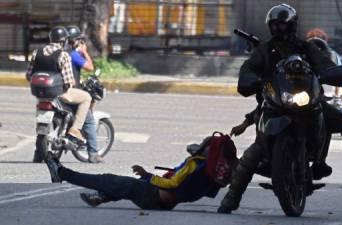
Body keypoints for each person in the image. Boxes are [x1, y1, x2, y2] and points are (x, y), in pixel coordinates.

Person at [217, 4, 342, 214]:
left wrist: (330, 73)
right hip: (275, 105)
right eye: (275, 25)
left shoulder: (306, 48)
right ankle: (231, 200)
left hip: (308, 101)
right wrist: (251, 80)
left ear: (292, 25)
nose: (279, 29)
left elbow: (325, 65)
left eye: (283, 25)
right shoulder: (264, 50)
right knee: (253, 153)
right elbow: (249, 69)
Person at [44, 151, 222, 210]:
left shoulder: (195, 164)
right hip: (162, 200)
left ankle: (62, 173)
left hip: (153, 196)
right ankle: (102, 197)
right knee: (123, 186)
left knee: (107, 180)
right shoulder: (212, 175)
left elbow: (173, 184)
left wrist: (146, 175)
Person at [26, 26, 92, 162]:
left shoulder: (36, 53)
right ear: (64, 40)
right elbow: (69, 82)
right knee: (86, 97)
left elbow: (29, 75)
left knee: (40, 127)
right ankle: (75, 129)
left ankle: (38, 154)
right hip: (59, 94)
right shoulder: (63, 55)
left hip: (41, 95)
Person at [66, 25, 102, 163]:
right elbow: (90, 67)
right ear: (74, 40)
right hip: (71, 93)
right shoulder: (73, 54)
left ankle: (38, 154)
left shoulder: (58, 52)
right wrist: (85, 52)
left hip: (54, 92)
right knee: (90, 122)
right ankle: (93, 154)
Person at [306, 28, 342, 110]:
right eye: (313, 43)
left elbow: (339, 75)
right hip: (305, 97)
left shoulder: (332, 56)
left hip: (327, 98)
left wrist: (337, 98)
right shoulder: (303, 55)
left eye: (318, 43)